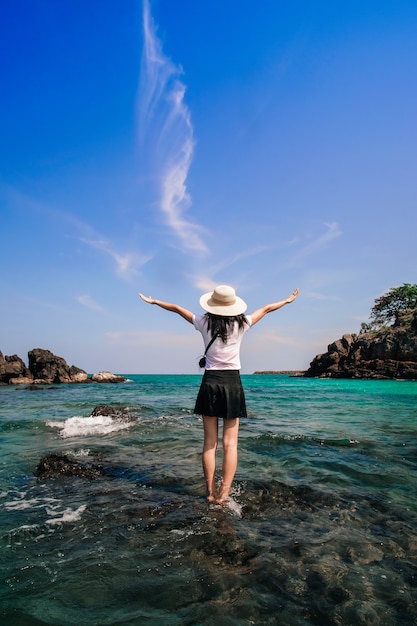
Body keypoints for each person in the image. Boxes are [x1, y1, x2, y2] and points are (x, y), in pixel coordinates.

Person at [138, 285, 299, 505]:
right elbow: (268, 308)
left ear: (213, 304)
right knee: (230, 444)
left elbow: (176, 308)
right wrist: (287, 300)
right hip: (232, 383)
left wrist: (155, 301)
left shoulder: (204, 323)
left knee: (209, 444)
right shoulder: (242, 324)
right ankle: (224, 494)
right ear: (233, 305)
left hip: (210, 383)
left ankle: (210, 493)